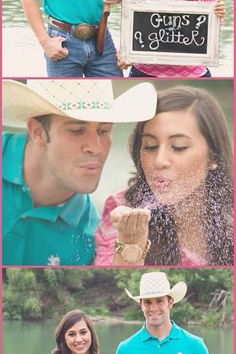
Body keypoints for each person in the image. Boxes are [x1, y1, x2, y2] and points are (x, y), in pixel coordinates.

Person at [2, 78, 157, 266]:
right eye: (76, 130)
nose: (96, 148)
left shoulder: (90, 239)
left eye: (103, 130)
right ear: (37, 132)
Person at [95, 85, 233, 266]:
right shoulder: (122, 208)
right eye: (150, 146)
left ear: (212, 156)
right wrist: (131, 241)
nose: (159, 161)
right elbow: (115, 285)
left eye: (179, 147)